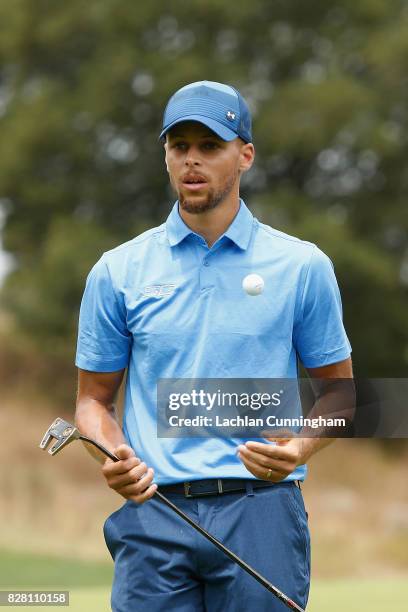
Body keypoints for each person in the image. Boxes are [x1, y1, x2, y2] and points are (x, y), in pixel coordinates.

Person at [75, 80, 353, 611]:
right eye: (180, 147)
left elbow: (342, 397)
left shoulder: (302, 266)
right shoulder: (117, 270)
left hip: (262, 511)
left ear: (244, 155)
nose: (192, 161)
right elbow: (92, 402)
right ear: (166, 156)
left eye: (210, 146)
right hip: (155, 511)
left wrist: (301, 446)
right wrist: (112, 454)